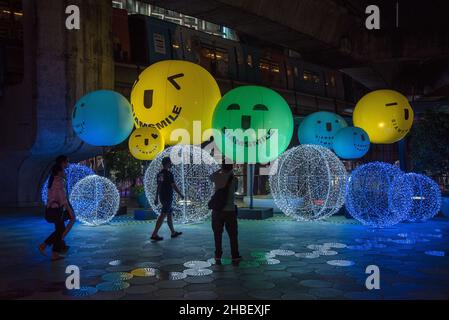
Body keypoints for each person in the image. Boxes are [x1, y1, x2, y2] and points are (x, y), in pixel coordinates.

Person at [38, 164, 75, 261]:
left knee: (60, 230)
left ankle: (53, 250)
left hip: (53, 208)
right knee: (68, 223)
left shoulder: (52, 179)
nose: (64, 172)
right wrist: (69, 210)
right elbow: (62, 197)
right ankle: (48, 245)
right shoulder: (59, 181)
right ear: (59, 172)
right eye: (63, 170)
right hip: (58, 209)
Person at [209, 163, 241, 265]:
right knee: (233, 235)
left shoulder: (217, 177)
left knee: (217, 234)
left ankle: (218, 255)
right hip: (230, 211)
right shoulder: (234, 179)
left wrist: (219, 170)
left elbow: (210, 177)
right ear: (231, 168)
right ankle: (235, 256)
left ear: (222, 167)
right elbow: (235, 190)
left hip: (217, 211)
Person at [151, 157, 184, 241]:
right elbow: (173, 185)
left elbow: (159, 186)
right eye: (170, 162)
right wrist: (180, 194)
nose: (171, 164)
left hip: (162, 196)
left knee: (169, 214)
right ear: (168, 163)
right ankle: (154, 234)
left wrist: (156, 197)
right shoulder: (169, 174)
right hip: (167, 197)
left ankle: (173, 232)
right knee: (163, 215)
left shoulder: (160, 174)